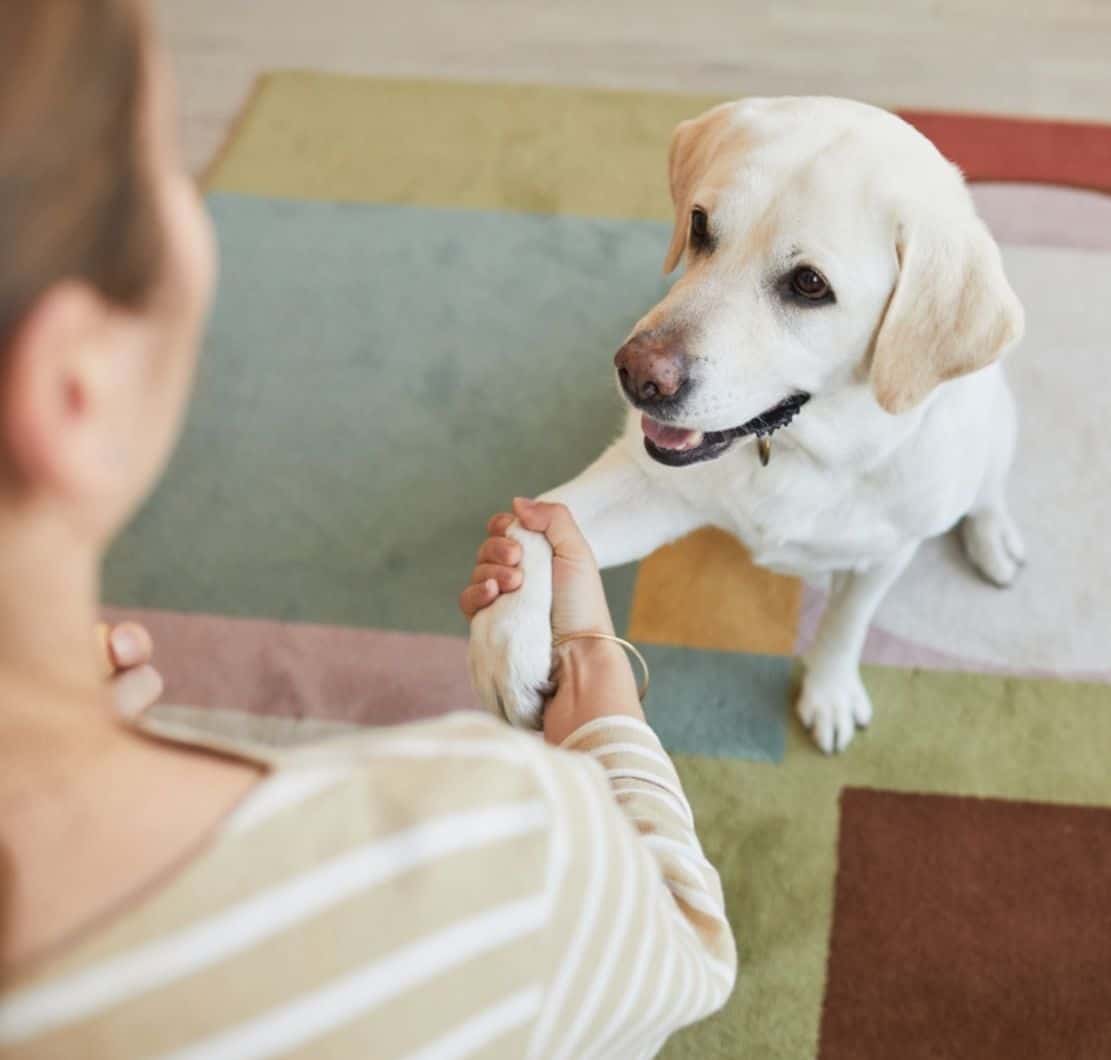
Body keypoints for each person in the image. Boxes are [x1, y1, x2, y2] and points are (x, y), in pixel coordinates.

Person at [0, 2, 734, 1056]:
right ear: (77, 387)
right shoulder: (506, 857)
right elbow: (691, 954)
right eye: (172, 166)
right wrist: (601, 711)